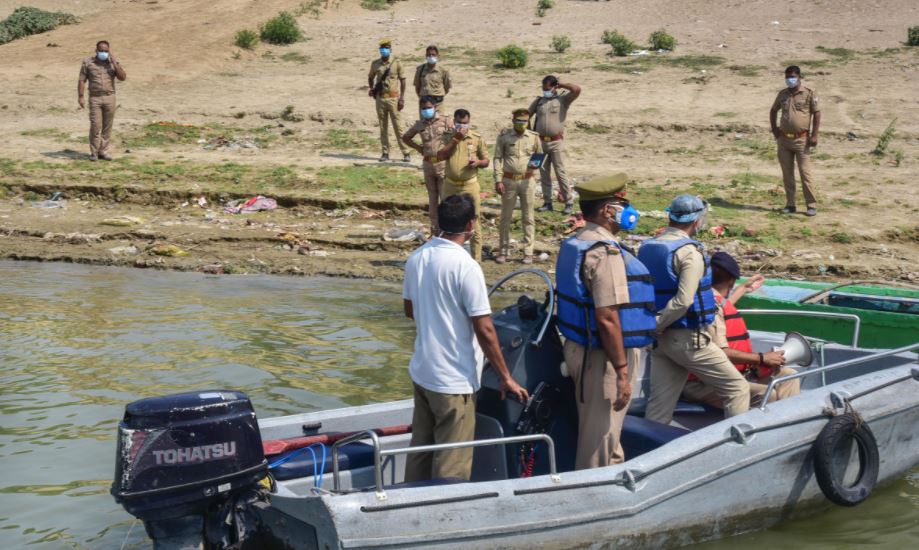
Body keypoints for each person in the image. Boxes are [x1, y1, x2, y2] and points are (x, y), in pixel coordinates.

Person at [403, 194, 529, 482]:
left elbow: (410, 310)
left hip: (423, 372)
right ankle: (444, 507)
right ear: (471, 225)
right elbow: (484, 329)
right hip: (453, 379)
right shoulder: (466, 266)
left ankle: (408, 499)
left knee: (421, 450)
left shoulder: (417, 257)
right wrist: (506, 377)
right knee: (452, 463)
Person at [555, 174, 657, 469]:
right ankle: (588, 492)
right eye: (622, 205)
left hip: (581, 349)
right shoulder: (605, 253)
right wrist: (622, 372)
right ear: (607, 211)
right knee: (598, 444)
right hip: (604, 360)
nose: (628, 211)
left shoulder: (578, 240)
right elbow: (608, 317)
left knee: (610, 437)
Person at [639, 195, 751, 425]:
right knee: (737, 389)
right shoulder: (689, 252)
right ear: (696, 221)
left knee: (659, 408)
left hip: (661, 342)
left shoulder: (648, 247)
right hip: (688, 340)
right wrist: (658, 324)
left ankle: (649, 444)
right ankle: (731, 445)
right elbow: (683, 301)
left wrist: (653, 325)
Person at [682, 252, 801, 408]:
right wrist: (762, 358)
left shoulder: (708, 301)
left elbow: (722, 308)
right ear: (731, 281)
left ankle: (789, 418)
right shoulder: (709, 306)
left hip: (731, 374)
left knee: (789, 376)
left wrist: (744, 288)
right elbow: (720, 352)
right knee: (768, 395)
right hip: (702, 383)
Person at [437, 109, 490, 261]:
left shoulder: (476, 138)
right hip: (450, 185)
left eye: (465, 123)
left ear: (469, 121)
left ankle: (476, 260)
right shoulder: (447, 136)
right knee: (447, 219)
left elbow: (486, 161)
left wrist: (478, 162)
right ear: (454, 122)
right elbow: (440, 155)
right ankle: (446, 258)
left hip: (469, 185)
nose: (462, 126)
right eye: (459, 123)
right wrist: (455, 139)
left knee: (474, 221)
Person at [770, 65, 821, 216]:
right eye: (787, 77)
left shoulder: (809, 93)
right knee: (787, 174)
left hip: (802, 140)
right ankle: (790, 204)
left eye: (792, 76)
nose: (789, 79)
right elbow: (773, 110)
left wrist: (814, 135)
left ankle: (811, 205)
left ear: (799, 77)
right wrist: (775, 129)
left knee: (805, 174)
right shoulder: (782, 94)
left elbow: (817, 113)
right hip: (784, 140)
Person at [493, 108, 541, 264]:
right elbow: (498, 158)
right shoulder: (504, 137)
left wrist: (535, 177)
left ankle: (528, 252)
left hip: (527, 181)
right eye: (519, 121)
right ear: (513, 121)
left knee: (528, 217)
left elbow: (539, 156)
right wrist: (498, 180)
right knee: (505, 218)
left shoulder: (534, 137)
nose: (522, 124)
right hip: (508, 181)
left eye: (524, 121)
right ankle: (503, 251)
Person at [528, 75, 581, 215]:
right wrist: (530, 134)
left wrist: (562, 84)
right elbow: (526, 115)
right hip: (540, 143)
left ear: (554, 87)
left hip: (556, 142)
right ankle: (547, 202)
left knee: (560, 172)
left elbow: (577, 89)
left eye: (548, 88)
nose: (545, 91)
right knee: (544, 173)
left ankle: (568, 202)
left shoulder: (563, 100)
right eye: (543, 88)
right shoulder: (539, 101)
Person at [403, 96, 454, 234]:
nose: (426, 110)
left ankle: (446, 229)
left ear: (435, 107)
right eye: (424, 108)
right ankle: (435, 229)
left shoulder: (445, 120)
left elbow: (454, 138)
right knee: (432, 198)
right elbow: (406, 137)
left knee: (444, 198)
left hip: (442, 164)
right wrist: (418, 148)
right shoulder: (420, 124)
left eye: (429, 107)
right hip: (427, 165)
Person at [78, 40, 126, 161]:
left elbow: (122, 77)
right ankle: (94, 153)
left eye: (106, 51)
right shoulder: (88, 63)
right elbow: (82, 80)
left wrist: (114, 62)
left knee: (107, 126)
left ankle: (103, 152)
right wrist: (81, 96)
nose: (103, 53)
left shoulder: (112, 63)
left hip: (110, 97)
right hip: (95, 98)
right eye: (101, 50)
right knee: (95, 125)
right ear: (96, 50)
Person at [368, 38, 410, 162]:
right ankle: (385, 153)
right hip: (380, 99)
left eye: (386, 48)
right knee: (383, 127)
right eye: (382, 48)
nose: (384, 50)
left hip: (393, 98)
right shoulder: (375, 64)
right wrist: (372, 89)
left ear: (390, 49)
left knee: (398, 126)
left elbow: (403, 81)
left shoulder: (396, 63)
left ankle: (406, 152)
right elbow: (370, 77)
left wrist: (402, 98)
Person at [413, 45, 451, 113]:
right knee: (425, 119)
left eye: (433, 55)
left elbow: (447, 87)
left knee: (439, 119)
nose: (431, 57)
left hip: (438, 103)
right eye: (429, 55)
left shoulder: (443, 70)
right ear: (426, 56)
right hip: (424, 104)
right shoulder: (420, 69)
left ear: (438, 56)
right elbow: (417, 87)